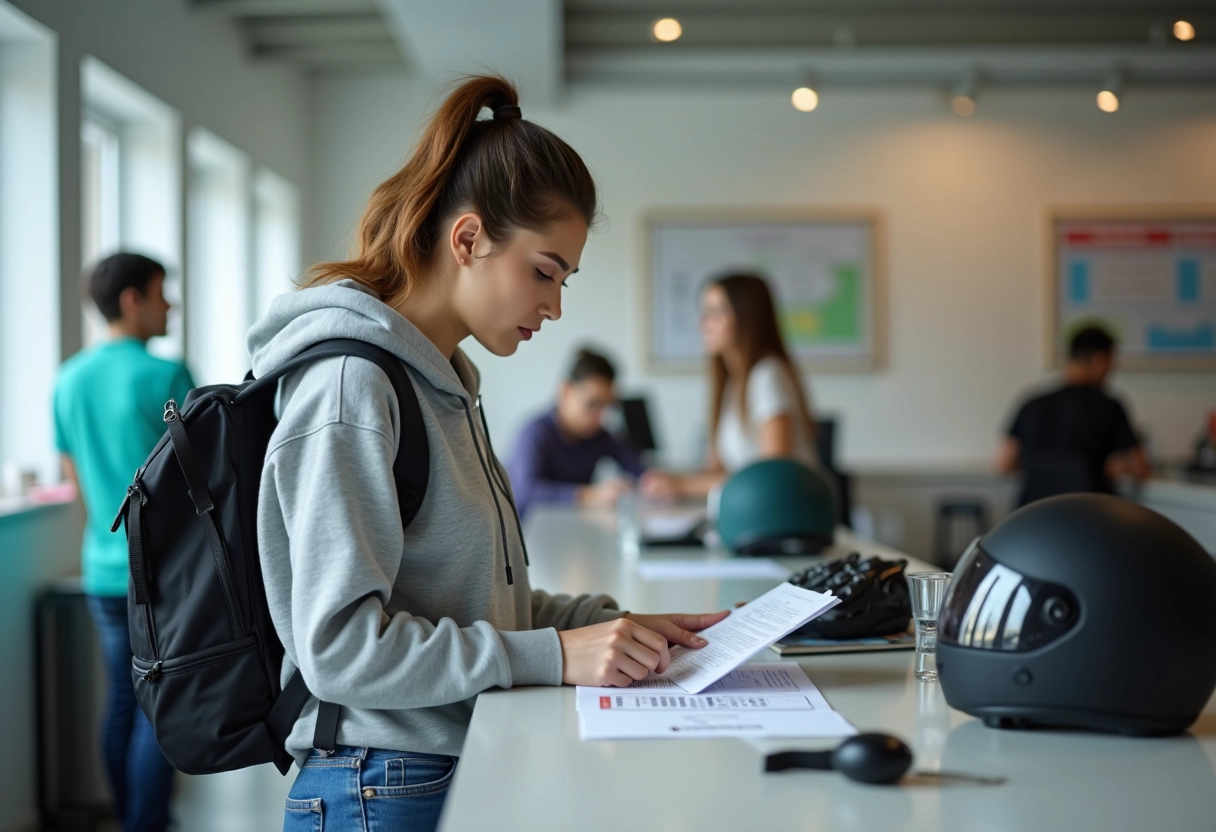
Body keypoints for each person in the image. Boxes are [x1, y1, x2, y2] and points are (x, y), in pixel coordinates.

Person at [249, 75, 728, 832]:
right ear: (468, 240)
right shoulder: (352, 388)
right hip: (378, 783)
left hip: (436, 766)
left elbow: (477, 604)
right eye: (544, 272)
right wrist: (556, 655)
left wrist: (618, 626)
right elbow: (338, 651)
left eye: (565, 280)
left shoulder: (444, 385)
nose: (555, 305)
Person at [53, 253, 191, 832]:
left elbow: (75, 481)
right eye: (162, 293)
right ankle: (145, 824)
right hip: (161, 570)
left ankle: (131, 819)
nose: (170, 305)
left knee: (121, 701)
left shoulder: (68, 379)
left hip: (101, 568)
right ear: (133, 300)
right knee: (160, 706)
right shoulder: (166, 375)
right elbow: (197, 476)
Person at [646, 273, 818, 500]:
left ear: (747, 318)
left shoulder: (768, 376)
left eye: (715, 313)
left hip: (783, 512)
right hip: (752, 510)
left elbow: (773, 477)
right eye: (704, 312)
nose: (703, 324)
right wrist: (675, 479)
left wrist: (683, 486)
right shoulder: (733, 384)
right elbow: (720, 470)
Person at [998, 325, 1149, 507]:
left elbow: (1004, 464)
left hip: (1033, 517)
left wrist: (1046, 474)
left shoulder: (1031, 404)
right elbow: (1140, 469)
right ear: (1100, 361)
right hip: (1089, 516)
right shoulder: (1109, 407)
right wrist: (1119, 466)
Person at [508, 347, 655, 517]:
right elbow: (525, 493)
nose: (600, 417)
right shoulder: (535, 434)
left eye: (606, 407)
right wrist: (590, 495)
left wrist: (653, 482)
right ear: (565, 391)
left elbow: (638, 468)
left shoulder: (599, 436)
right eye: (592, 404)